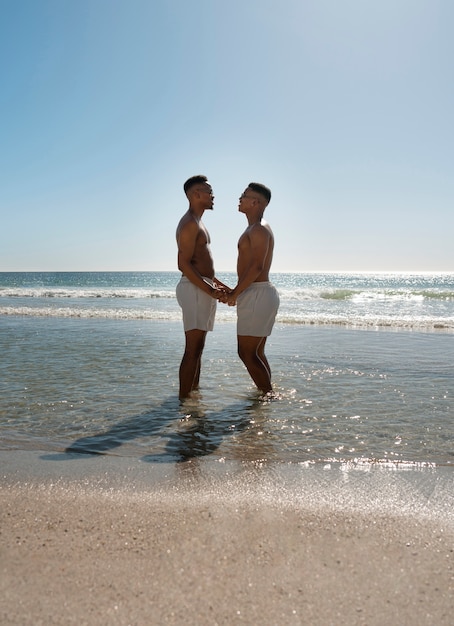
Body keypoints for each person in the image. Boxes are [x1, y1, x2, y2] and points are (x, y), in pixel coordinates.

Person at [176, 175, 229, 400]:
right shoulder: (189, 223)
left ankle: (192, 397)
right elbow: (183, 264)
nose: (212, 195)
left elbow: (202, 265)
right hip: (195, 289)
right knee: (192, 348)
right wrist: (209, 290)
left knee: (198, 349)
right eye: (208, 191)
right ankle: (184, 401)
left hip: (202, 287)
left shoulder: (198, 222)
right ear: (195, 194)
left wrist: (220, 286)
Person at [223, 182, 279, 395]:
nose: (240, 198)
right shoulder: (255, 227)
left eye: (244, 196)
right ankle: (266, 395)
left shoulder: (259, 229)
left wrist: (235, 293)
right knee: (256, 352)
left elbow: (256, 266)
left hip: (258, 294)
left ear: (255, 202)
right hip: (256, 293)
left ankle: (268, 396)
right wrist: (237, 291)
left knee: (246, 353)